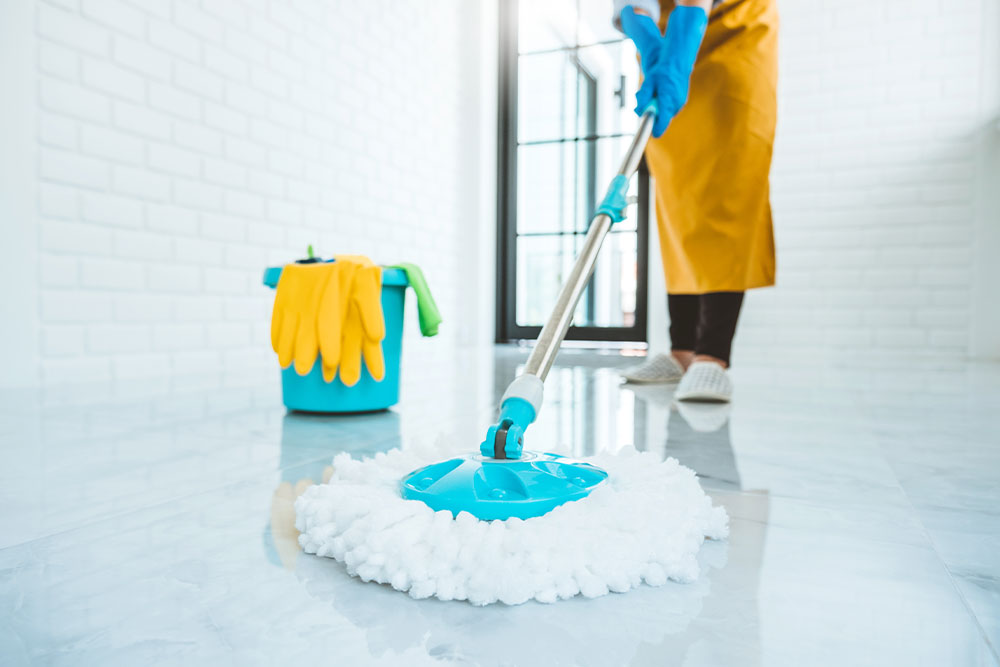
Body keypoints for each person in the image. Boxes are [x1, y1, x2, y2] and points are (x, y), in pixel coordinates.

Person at [614, 0, 779, 402]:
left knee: (729, 189)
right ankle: (681, 351)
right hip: (669, 42)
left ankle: (712, 355)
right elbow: (629, 7)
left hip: (731, 29)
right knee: (678, 200)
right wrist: (649, 40)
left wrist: (681, 45)